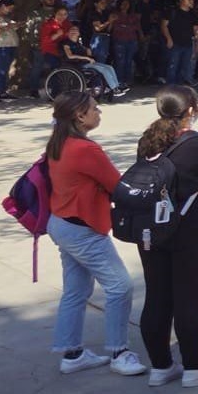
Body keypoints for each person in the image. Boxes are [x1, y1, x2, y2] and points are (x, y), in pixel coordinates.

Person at [136, 85, 198, 387]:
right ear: (191, 111)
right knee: (190, 299)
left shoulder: (148, 142)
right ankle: (193, 368)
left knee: (157, 296)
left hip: (152, 228)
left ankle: (160, 367)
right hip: (195, 229)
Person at [44, 92, 148, 376]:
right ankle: (119, 352)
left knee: (76, 291)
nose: (98, 112)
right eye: (94, 108)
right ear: (79, 116)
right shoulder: (84, 150)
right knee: (120, 286)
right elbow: (117, 185)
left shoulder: (59, 142)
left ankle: (72, 354)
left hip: (62, 223)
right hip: (81, 229)